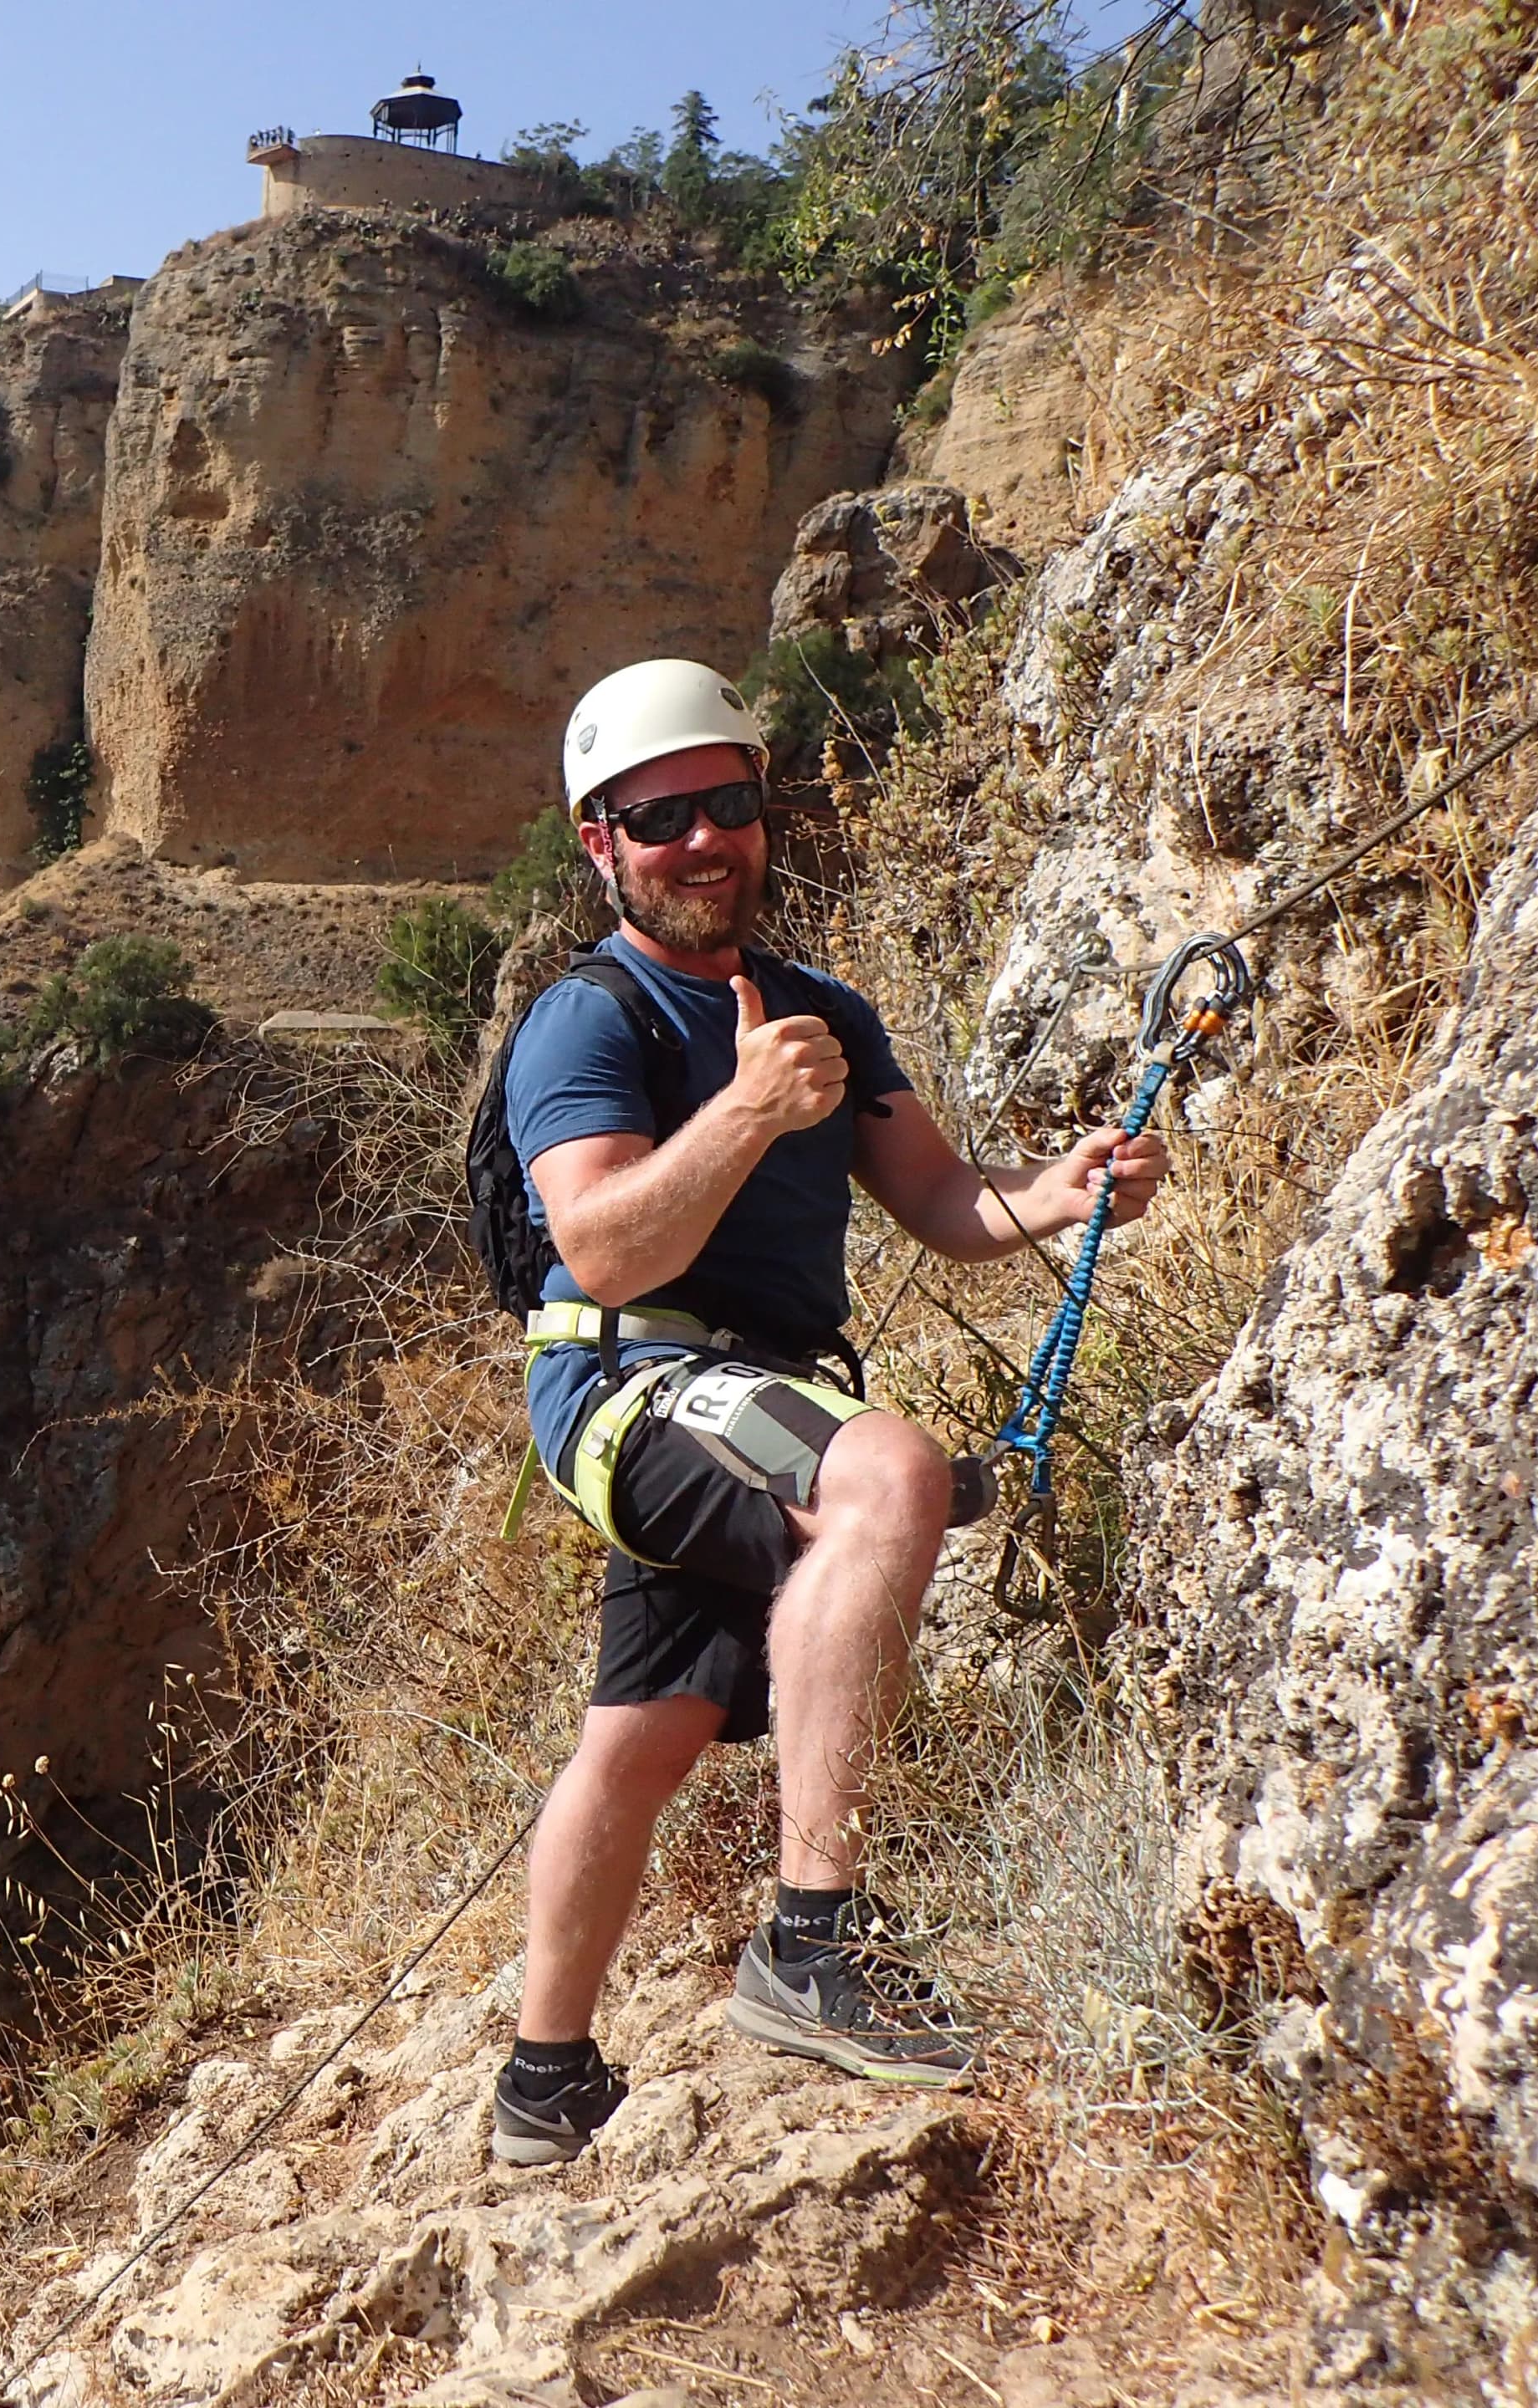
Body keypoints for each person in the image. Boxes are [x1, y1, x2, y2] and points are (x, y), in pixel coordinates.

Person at [487, 658, 1171, 2168]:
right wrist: (745, 1110)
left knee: (646, 1731)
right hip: (628, 1377)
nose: (703, 839)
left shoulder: (823, 1012)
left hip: (744, 1392)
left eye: (728, 802)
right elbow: (600, 1246)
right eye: (659, 818)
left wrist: (1065, 1194)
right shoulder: (588, 1023)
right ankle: (811, 1943)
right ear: (600, 844)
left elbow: (941, 1201)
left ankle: (544, 2080)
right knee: (888, 1478)